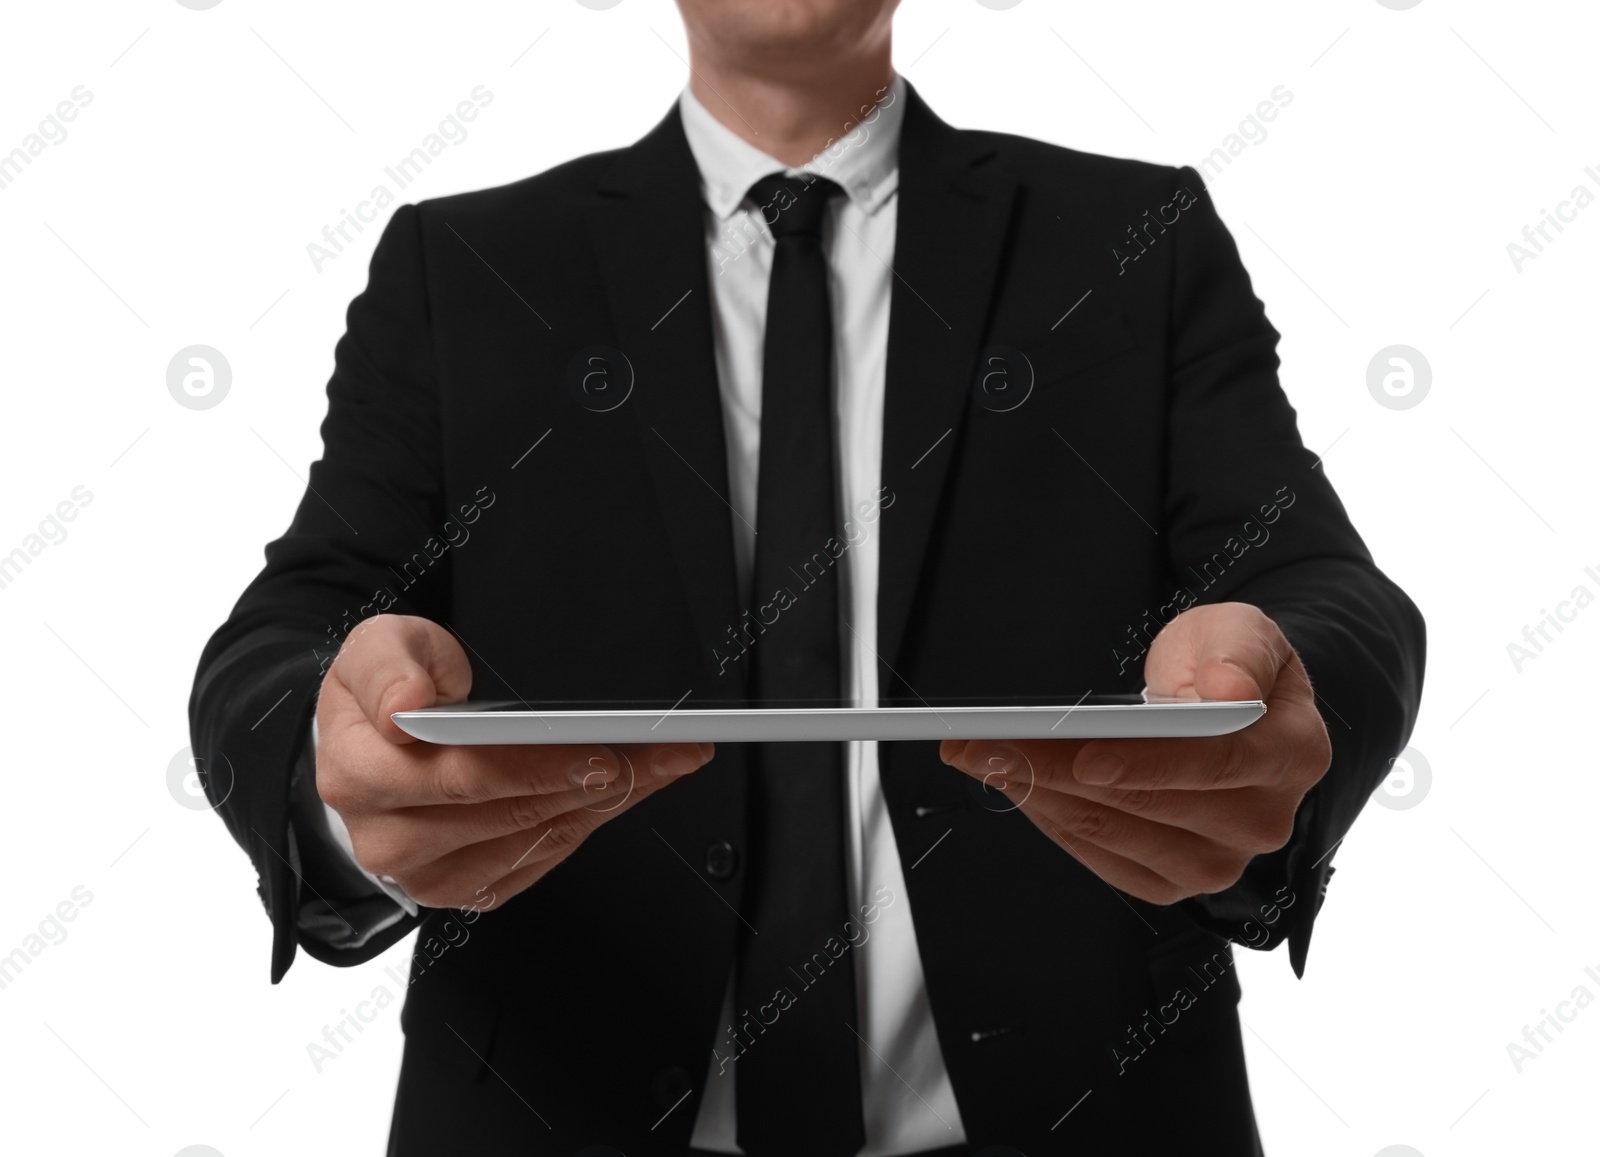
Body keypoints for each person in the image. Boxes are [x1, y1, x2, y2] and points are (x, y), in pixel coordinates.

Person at [189, 1, 1425, 1153]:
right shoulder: (461, 265)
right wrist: (326, 760)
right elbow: (296, 624)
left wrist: (1282, 682)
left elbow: (1322, 582)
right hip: (553, 1109)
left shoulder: (1132, 239)